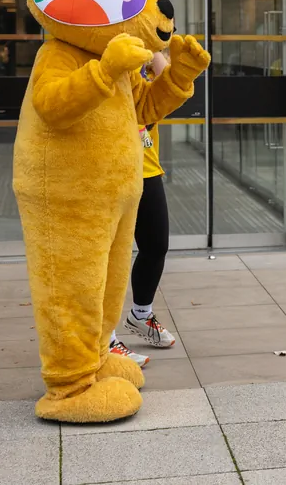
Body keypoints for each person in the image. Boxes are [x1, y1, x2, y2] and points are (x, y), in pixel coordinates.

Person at [109, 49, 177, 368]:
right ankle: (103, 337)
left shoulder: (145, 65)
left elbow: (170, 82)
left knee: (156, 245)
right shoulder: (112, 60)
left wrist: (154, 51)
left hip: (147, 168)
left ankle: (141, 314)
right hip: (111, 171)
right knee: (108, 257)